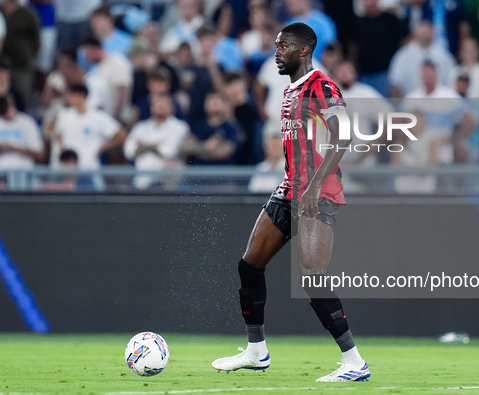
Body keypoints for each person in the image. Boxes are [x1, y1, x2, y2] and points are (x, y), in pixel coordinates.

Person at [211, 22, 370, 383]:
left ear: (303, 50)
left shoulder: (322, 85)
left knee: (313, 277)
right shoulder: (289, 92)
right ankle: (256, 351)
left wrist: (313, 187)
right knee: (249, 266)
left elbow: (342, 137)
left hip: (318, 193)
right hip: (288, 191)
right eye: (276, 45)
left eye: (283, 46)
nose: (276, 51)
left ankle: (354, 361)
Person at [52, 83, 126, 186]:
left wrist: (102, 148)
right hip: (68, 172)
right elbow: (56, 132)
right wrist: (63, 148)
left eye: (71, 95)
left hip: (89, 169)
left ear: (82, 96)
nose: (68, 98)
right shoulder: (63, 115)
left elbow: (121, 135)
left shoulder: (97, 116)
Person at [124, 94, 189, 190]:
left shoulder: (180, 127)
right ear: (151, 107)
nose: (160, 106)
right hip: (141, 183)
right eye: (157, 104)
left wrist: (144, 146)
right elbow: (129, 151)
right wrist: (155, 146)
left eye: (164, 104)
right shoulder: (140, 127)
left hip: (167, 185)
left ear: (172, 108)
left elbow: (170, 151)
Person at [0, 95, 43, 170]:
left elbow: (39, 153)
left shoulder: (27, 122)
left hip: (22, 172)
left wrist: (13, 148)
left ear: (12, 106)